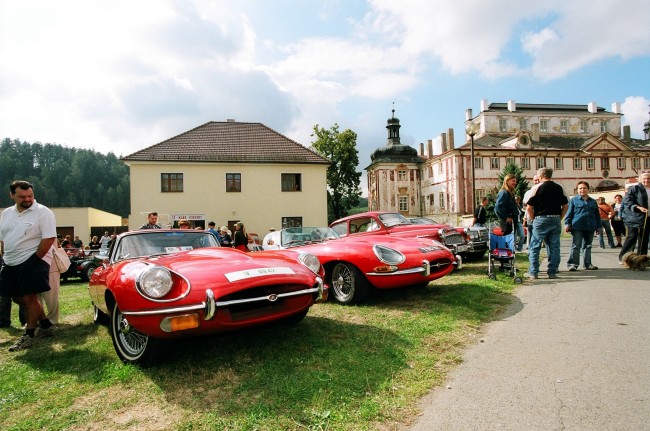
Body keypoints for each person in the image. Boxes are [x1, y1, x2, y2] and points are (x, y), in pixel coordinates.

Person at [0, 180, 58, 351]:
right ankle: (46, 325)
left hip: (33, 260)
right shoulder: (7, 213)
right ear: (12, 195)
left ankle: (30, 335)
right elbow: (3, 238)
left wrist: (35, 260)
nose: (27, 199)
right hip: (10, 261)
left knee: (29, 297)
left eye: (30, 196)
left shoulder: (43, 212)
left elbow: (49, 238)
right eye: (22, 196)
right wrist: (4, 256)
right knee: (16, 297)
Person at [525, 168, 569, 279]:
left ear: (540, 176)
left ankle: (534, 272)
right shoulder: (559, 187)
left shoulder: (536, 187)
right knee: (554, 246)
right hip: (555, 218)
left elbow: (529, 207)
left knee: (535, 246)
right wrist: (560, 217)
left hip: (541, 218)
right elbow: (566, 205)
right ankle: (552, 271)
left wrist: (534, 218)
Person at [564, 181, 601, 271]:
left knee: (588, 245)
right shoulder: (574, 200)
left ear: (588, 189)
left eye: (584, 188)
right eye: (580, 188)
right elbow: (569, 213)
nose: (582, 190)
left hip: (590, 226)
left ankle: (588, 264)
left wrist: (599, 227)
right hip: (577, 227)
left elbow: (597, 215)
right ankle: (572, 264)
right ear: (577, 190)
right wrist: (567, 224)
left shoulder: (593, 201)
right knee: (576, 246)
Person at [618, 170, 650, 262]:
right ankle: (624, 258)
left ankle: (642, 259)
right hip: (635, 217)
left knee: (644, 239)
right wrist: (637, 207)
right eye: (644, 179)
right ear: (640, 179)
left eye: (648, 178)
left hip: (648, 218)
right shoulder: (634, 188)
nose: (647, 180)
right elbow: (628, 201)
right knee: (632, 237)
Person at [522, 174, 540, 248]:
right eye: (535, 180)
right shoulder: (528, 193)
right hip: (531, 217)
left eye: (538, 179)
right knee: (530, 233)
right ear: (533, 181)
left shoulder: (546, 191)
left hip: (541, 217)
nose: (537, 181)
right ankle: (530, 248)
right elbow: (525, 206)